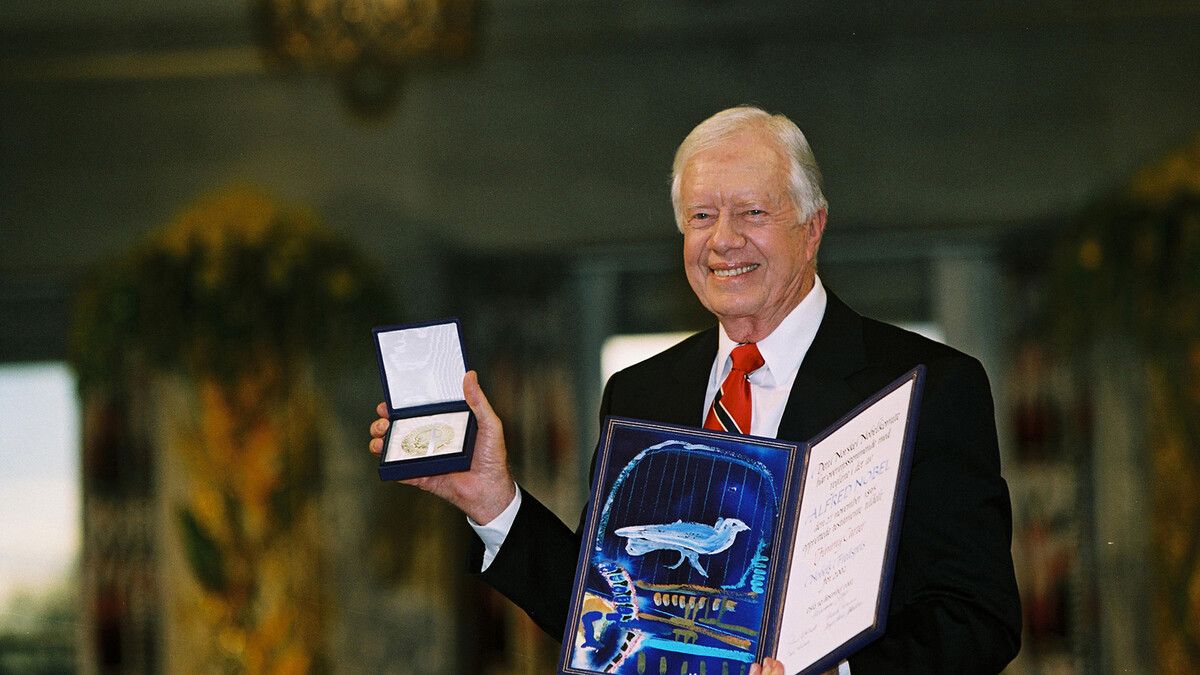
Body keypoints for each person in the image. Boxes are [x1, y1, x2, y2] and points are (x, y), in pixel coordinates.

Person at [369, 106, 1022, 673]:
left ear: (813, 226)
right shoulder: (641, 391)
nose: (724, 239)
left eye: (752, 212)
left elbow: (978, 615)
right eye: (702, 215)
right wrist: (496, 501)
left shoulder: (928, 386)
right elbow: (614, 608)